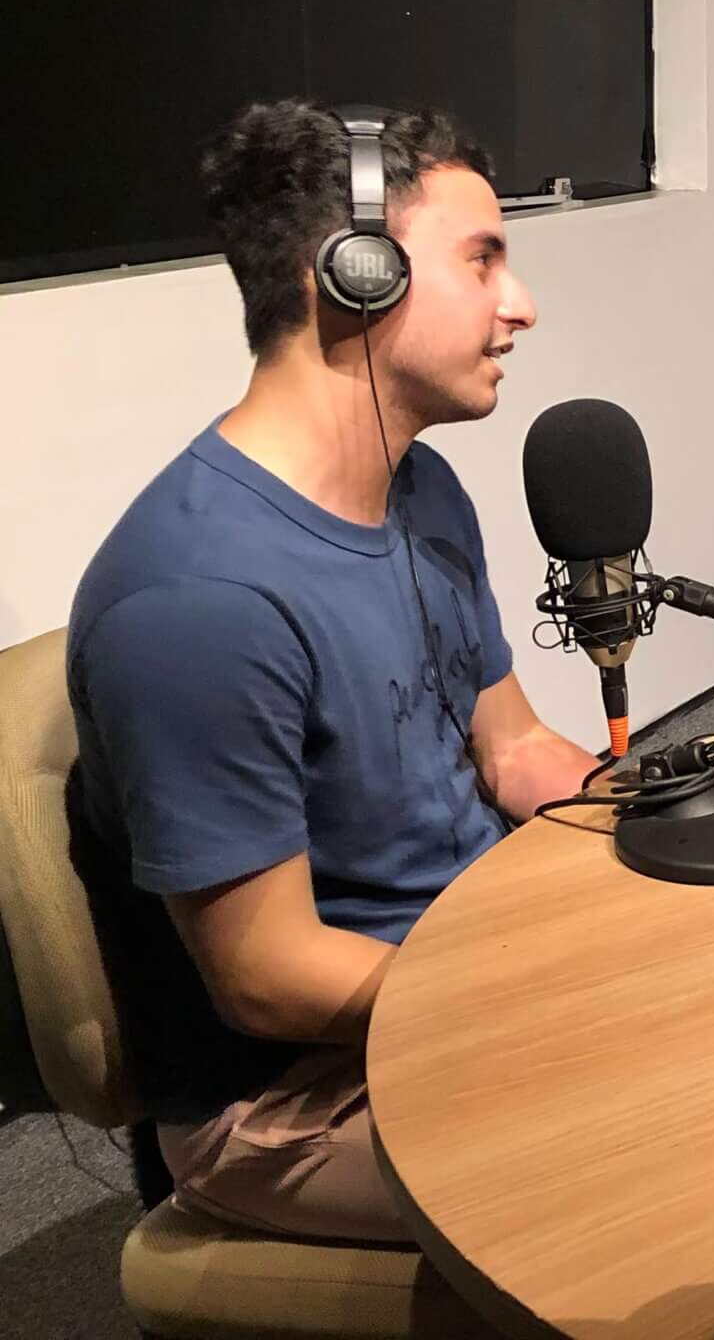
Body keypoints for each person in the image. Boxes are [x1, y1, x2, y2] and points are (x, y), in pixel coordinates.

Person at [67, 99, 598, 1244]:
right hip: (285, 1097)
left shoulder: (422, 492)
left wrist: (653, 830)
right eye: (482, 259)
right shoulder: (198, 600)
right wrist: (533, 1000)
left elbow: (512, 748)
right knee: (660, 1155)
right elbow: (266, 975)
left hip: (457, 970)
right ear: (356, 276)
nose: (520, 304)